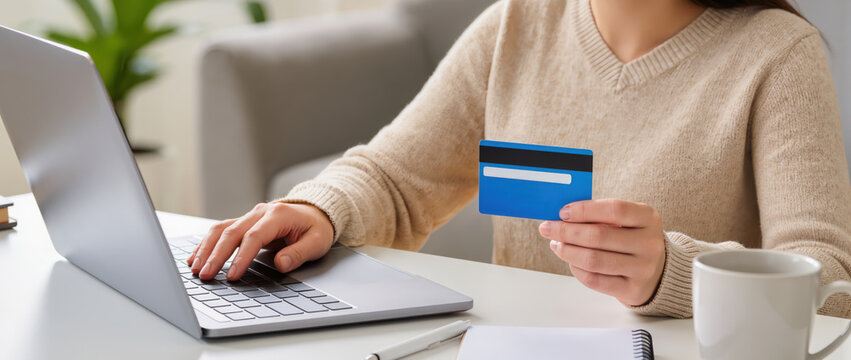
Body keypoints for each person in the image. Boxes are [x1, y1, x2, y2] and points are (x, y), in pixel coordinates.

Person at [188, 0, 851, 318]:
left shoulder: (776, 53)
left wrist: (674, 274)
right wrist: (318, 207)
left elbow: (831, 282)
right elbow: (395, 178)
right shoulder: (518, 22)